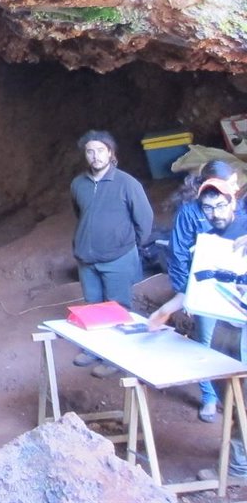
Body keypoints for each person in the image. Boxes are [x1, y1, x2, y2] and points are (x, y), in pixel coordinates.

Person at [149, 168, 247, 484]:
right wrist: (166, 309)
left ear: (233, 201)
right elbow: (198, 285)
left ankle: (239, 467)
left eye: (221, 205)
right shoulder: (208, 240)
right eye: (208, 207)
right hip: (225, 327)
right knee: (232, 395)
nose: (215, 213)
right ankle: (240, 460)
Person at [70, 129, 154, 377]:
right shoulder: (78, 185)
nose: (95, 156)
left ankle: (115, 358)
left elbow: (145, 220)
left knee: (118, 308)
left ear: (111, 153)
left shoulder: (127, 183)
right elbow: (80, 214)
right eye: (89, 151)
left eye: (100, 150)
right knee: (93, 306)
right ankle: (96, 350)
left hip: (118, 257)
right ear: (85, 155)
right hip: (87, 259)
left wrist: (128, 245)